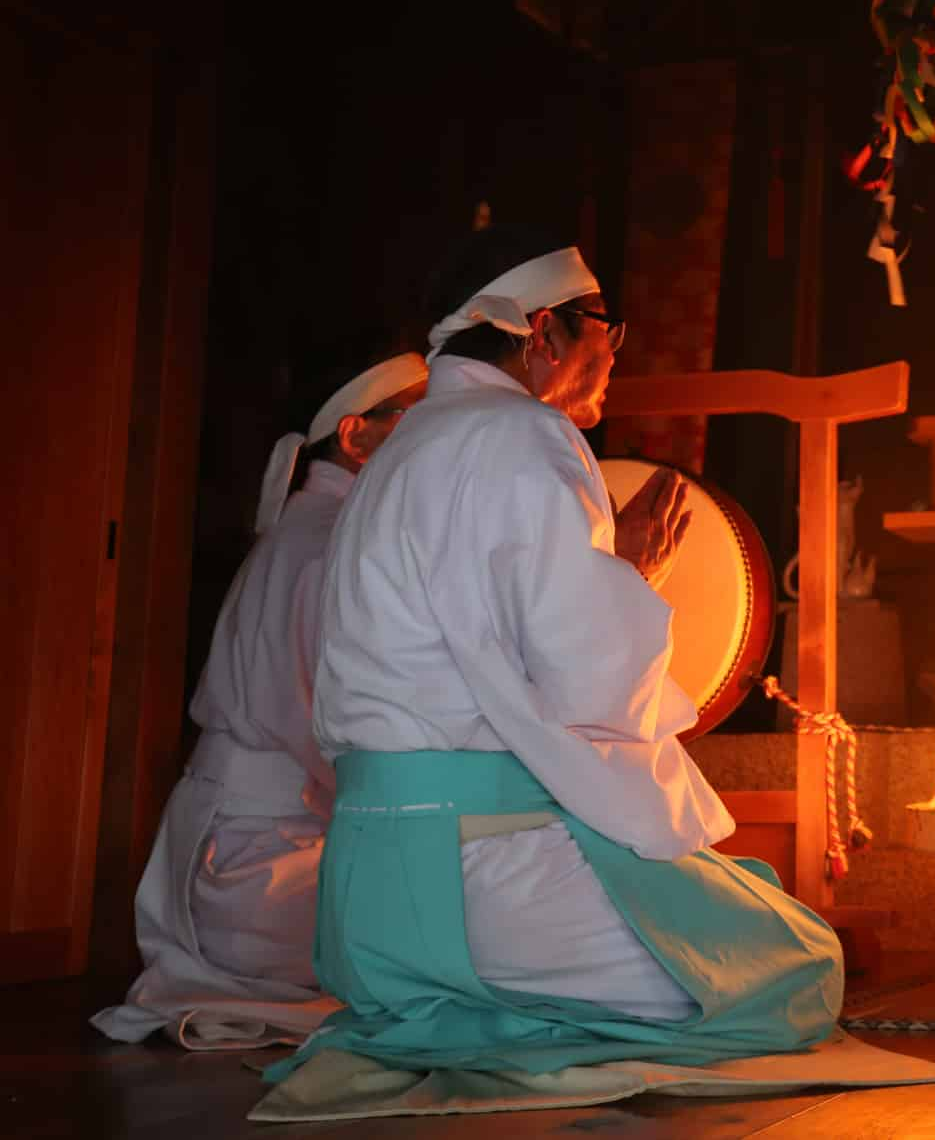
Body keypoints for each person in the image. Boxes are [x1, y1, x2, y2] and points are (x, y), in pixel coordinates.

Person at [267, 226, 841, 1082]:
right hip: (472, 872)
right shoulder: (525, 433)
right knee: (794, 968)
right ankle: (490, 1013)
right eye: (605, 324)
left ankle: (473, 1009)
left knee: (729, 899)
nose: (615, 351)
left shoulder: (400, 452)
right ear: (542, 333)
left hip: (365, 890)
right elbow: (583, 680)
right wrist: (630, 579)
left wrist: (609, 577)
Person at [93, 348, 429, 1048]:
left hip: (245, 853)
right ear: (355, 434)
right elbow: (328, 731)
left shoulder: (313, 534)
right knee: (468, 930)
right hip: (258, 870)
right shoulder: (325, 544)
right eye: (417, 418)